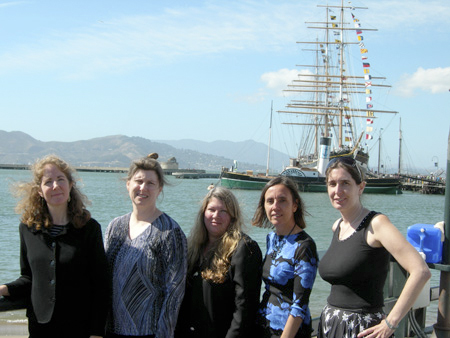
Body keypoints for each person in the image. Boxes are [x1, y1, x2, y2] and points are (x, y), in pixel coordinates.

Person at [317, 157, 431, 338]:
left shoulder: (376, 224)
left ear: (360, 187)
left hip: (363, 329)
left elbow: (420, 271)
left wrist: (391, 322)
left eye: (345, 183)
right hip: (331, 325)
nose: (337, 191)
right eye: (332, 184)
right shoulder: (337, 226)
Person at [0, 155, 109, 338]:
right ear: (40, 191)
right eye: (48, 182)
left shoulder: (89, 228)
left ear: (70, 185)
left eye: (60, 179)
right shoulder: (28, 228)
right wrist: (3, 288)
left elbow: (101, 284)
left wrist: (96, 332)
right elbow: (29, 278)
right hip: (40, 327)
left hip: (79, 327)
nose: (55, 186)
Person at [104, 153, 187, 338]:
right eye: (138, 181)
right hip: (110, 330)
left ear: (159, 188)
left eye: (150, 183)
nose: (143, 187)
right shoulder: (114, 227)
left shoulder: (170, 232)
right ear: (128, 184)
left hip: (148, 333)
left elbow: (174, 293)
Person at [176, 186, 262, 338]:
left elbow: (244, 309)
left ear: (233, 216)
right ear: (203, 213)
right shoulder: (192, 247)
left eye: (224, 211)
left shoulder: (245, 249)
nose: (216, 216)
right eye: (211, 210)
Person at [252, 176, 318, 338]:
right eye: (270, 201)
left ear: (295, 205)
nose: (275, 207)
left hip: (289, 332)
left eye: (282, 200)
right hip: (264, 328)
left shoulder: (304, 246)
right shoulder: (271, 239)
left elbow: (300, 305)